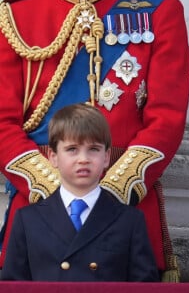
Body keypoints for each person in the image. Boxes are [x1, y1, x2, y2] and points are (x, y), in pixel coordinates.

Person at [0, 0, 189, 280]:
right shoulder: (16, 18)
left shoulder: (160, 11)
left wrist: (108, 195)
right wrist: (59, 192)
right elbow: (2, 124)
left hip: (127, 212)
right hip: (38, 216)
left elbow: (167, 119)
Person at [2, 103, 159, 281]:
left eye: (93, 149)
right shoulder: (28, 220)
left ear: (106, 157)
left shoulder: (130, 221)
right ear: (53, 157)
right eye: (72, 150)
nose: (83, 159)